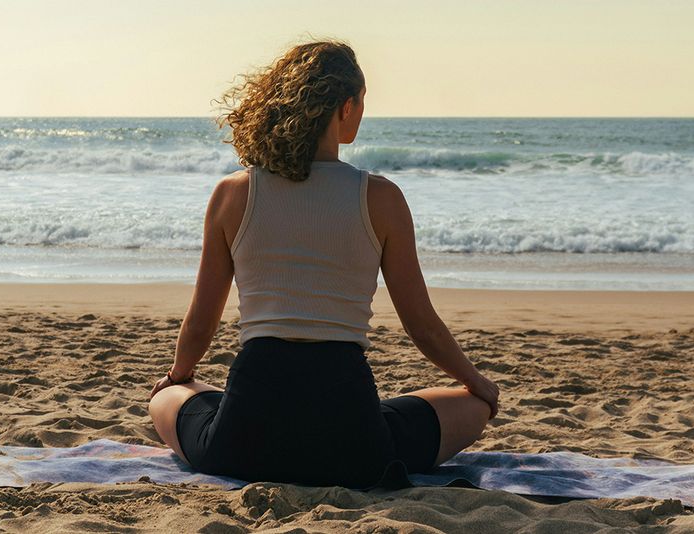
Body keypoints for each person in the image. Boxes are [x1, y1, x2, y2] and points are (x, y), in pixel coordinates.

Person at [148, 39, 499, 490]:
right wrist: (476, 382)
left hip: (244, 439)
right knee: (470, 407)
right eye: (363, 103)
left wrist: (178, 376)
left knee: (173, 398)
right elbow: (422, 325)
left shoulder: (233, 194)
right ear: (346, 107)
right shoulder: (381, 198)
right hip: (352, 440)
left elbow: (201, 320)